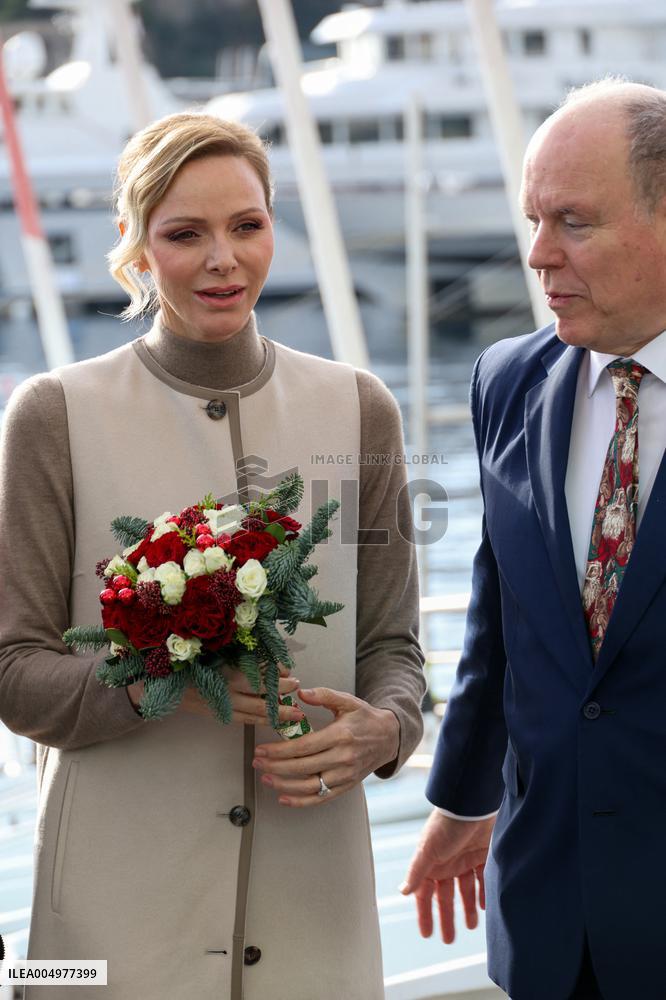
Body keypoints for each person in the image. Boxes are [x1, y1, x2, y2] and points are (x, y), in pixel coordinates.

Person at [0, 111, 426, 999]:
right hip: (107, 914)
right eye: (184, 233)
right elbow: (13, 672)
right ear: (135, 243)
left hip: (317, 907)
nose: (222, 258)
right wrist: (164, 674)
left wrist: (387, 731)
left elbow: (394, 651)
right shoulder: (52, 415)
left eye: (247, 225)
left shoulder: (363, 410)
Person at [401, 79, 666, 1000]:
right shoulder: (505, 380)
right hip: (549, 919)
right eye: (532, 220)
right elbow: (501, 617)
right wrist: (461, 799)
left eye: (574, 222)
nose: (539, 255)